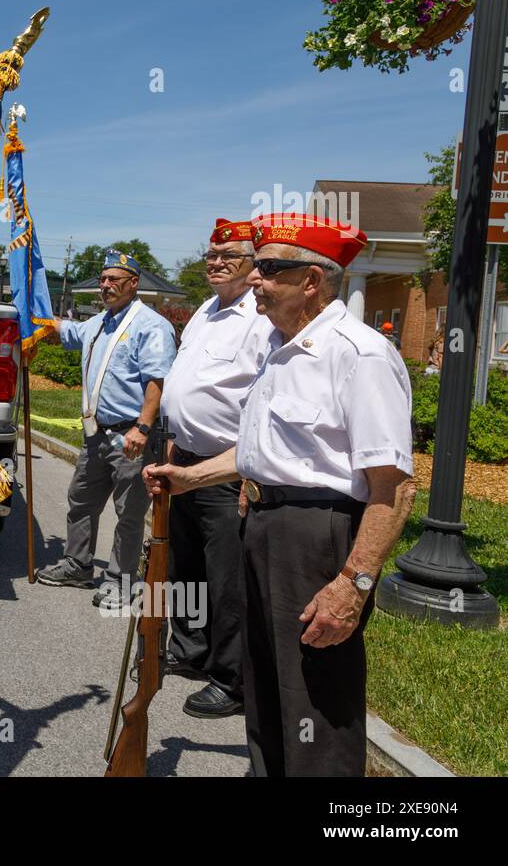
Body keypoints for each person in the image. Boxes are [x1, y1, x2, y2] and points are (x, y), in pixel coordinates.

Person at [145, 212, 415, 776]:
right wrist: (189, 477)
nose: (253, 281)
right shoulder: (277, 347)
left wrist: (353, 584)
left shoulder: (357, 354)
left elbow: (394, 488)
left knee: (315, 698)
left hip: (318, 536)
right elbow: (257, 454)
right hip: (262, 523)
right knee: (265, 691)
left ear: (311, 281)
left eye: (268, 269)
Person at [158, 218, 271, 719]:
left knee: (227, 577)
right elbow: (183, 381)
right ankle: (190, 651)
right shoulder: (205, 310)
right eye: (212, 253)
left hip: (227, 470)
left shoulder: (260, 316)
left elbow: (263, 397)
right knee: (186, 567)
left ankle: (231, 679)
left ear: (252, 263)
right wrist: (170, 445)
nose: (217, 261)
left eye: (229, 254)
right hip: (182, 458)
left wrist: (250, 474)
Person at [35, 250, 177, 610]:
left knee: (129, 513)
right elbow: (64, 331)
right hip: (96, 434)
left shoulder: (151, 325)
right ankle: (78, 564)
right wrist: (30, 312)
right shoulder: (98, 323)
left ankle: (121, 582)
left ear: (133, 283)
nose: (105, 285)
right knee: (80, 500)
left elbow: (156, 382)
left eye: (114, 279)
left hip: (131, 435)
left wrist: (143, 428)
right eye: (102, 279)